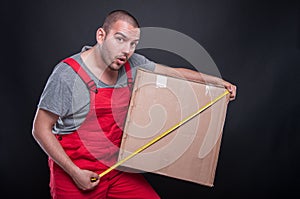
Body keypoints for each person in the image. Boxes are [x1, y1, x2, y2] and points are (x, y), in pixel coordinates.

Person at [32, 9, 237, 199]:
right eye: (120, 39)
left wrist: (218, 83)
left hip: (115, 168)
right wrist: (75, 173)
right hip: (75, 173)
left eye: (133, 44)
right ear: (101, 36)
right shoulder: (67, 75)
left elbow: (173, 73)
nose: (126, 51)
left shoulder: (133, 64)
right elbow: (40, 130)